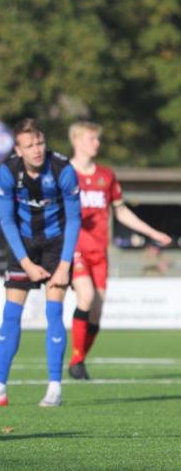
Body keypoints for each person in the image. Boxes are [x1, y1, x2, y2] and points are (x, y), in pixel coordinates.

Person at [0, 118, 81, 408]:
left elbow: (74, 219)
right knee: (10, 314)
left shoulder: (63, 169)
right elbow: (5, 219)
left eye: (40, 143)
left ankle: (54, 388)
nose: (36, 150)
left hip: (56, 245)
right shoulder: (8, 172)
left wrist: (65, 264)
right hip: (24, 244)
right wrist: (26, 262)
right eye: (29, 146)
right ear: (18, 149)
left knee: (54, 312)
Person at [67, 122, 172, 379]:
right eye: (92, 138)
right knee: (86, 297)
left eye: (97, 139)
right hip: (74, 249)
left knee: (97, 311)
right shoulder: (65, 174)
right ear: (76, 140)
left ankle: (78, 360)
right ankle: (76, 361)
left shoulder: (106, 175)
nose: (97, 143)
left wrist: (152, 233)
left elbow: (121, 211)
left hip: (99, 252)